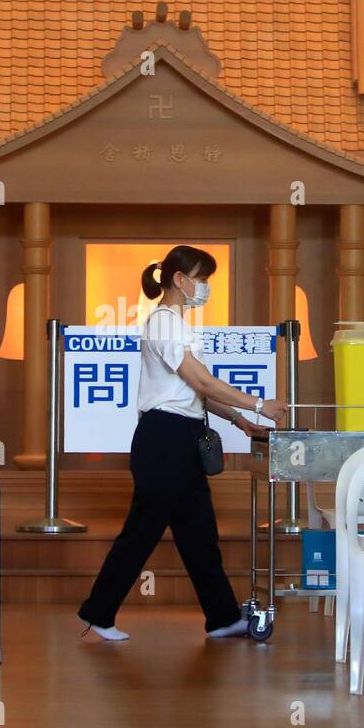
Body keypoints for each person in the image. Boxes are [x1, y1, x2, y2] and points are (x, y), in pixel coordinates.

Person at [78, 245, 288, 641]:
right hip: (164, 439)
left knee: (199, 533)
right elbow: (203, 382)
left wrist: (242, 421)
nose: (205, 287)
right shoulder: (164, 322)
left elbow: (198, 395)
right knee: (143, 530)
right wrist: (262, 405)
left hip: (183, 436)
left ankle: (223, 618)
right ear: (179, 279)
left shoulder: (179, 324)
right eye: (202, 278)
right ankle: (99, 612)